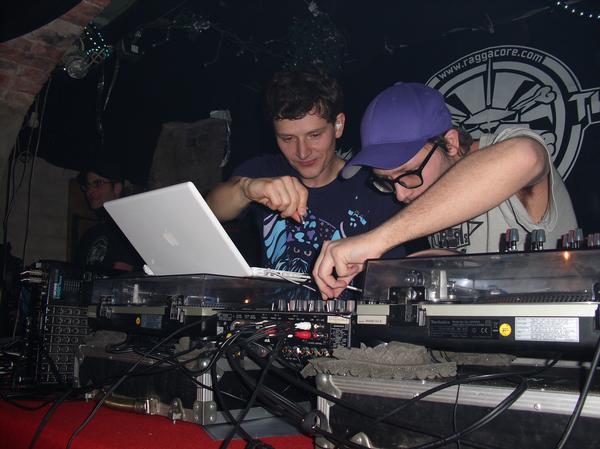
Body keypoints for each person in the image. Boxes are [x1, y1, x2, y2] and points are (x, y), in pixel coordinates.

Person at [313, 82, 577, 299]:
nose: (400, 194)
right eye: (386, 181)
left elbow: (526, 156)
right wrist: (386, 268)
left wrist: (377, 240)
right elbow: (465, 264)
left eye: (408, 173)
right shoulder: (425, 183)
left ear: (450, 144)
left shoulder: (502, 148)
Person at [206, 67, 406, 280]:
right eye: (288, 139)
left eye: (314, 135)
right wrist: (246, 189)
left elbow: (392, 278)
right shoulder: (265, 171)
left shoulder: (375, 188)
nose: (302, 152)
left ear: (338, 125)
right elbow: (211, 209)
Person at [75, 161, 143, 273]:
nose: (90, 191)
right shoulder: (90, 234)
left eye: (98, 183)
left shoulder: (133, 227)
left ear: (117, 188)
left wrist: (133, 271)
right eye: (87, 186)